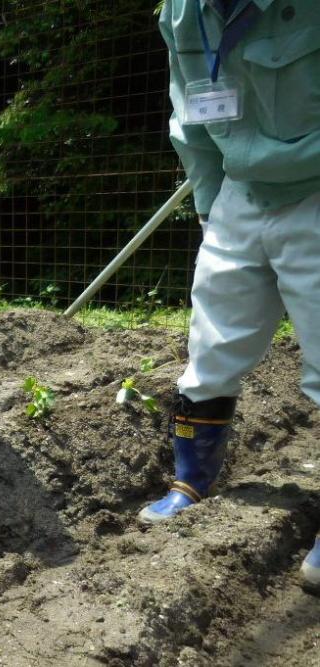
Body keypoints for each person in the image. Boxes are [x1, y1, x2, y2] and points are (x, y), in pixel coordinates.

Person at [142, 0, 320, 587]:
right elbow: (189, 116)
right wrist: (210, 202)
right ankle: (191, 480)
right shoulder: (184, 12)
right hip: (238, 191)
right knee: (211, 343)